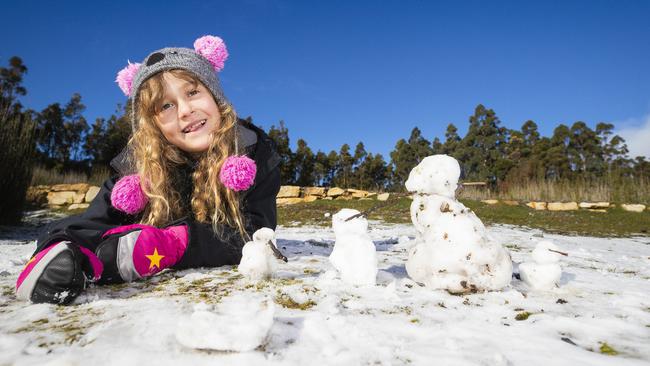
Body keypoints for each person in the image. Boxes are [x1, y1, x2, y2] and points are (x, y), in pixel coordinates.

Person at [15, 35, 281, 304]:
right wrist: (60, 246)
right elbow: (88, 222)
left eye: (193, 92)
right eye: (166, 106)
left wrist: (172, 244)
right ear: (153, 125)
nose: (186, 110)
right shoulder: (137, 171)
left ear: (215, 97)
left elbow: (257, 232)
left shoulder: (253, 154)